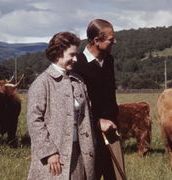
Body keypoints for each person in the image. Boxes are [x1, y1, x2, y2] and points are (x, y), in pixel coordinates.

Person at [27, 32, 96, 180]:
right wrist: (49, 152)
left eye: (76, 54)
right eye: (71, 55)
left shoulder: (78, 81)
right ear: (58, 53)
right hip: (54, 158)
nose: (75, 59)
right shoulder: (41, 83)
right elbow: (34, 121)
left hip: (79, 154)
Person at [73, 19, 125, 180]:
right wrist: (97, 122)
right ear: (96, 40)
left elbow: (110, 95)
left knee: (116, 176)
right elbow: (76, 106)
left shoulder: (109, 60)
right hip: (88, 135)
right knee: (90, 175)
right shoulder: (77, 65)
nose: (114, 42)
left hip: (111, 130)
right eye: (111, 39)